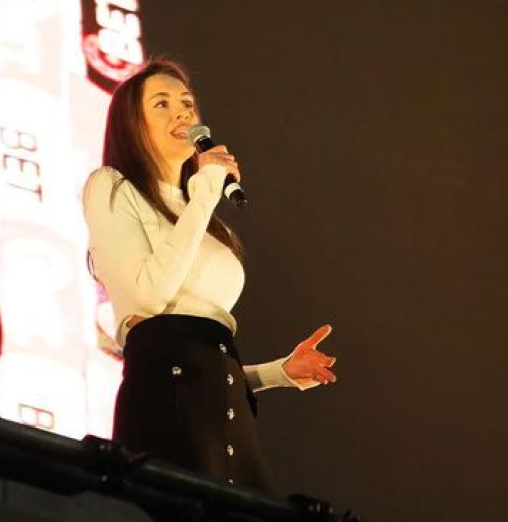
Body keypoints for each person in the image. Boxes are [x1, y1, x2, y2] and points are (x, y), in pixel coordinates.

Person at [82, 57, 337, 488]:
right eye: (162, 104)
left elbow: (208, 366)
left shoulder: (198, 211)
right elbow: (149, 298)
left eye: (187, 103)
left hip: (226, 415)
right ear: (131, 123)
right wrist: (204, 195)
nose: (182, 113)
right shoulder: (113, 186)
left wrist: (280, 372)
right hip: (166, 405)